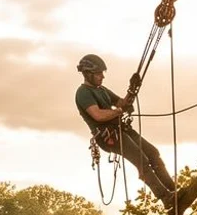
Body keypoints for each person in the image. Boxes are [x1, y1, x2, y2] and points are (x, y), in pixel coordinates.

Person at [75, 54, 180, 207]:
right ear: (87, 73)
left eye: (102, 73)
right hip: (108, 137)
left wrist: (132, 90)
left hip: (120, 130)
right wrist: (118, 111)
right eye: (98, 73)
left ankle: (174, 190)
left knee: (153, 153)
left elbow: (122, 103)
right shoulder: (83, 93)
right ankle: (166, 198)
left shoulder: (102, 90)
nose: (102, 76)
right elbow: (97, 115)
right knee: (141, 159)